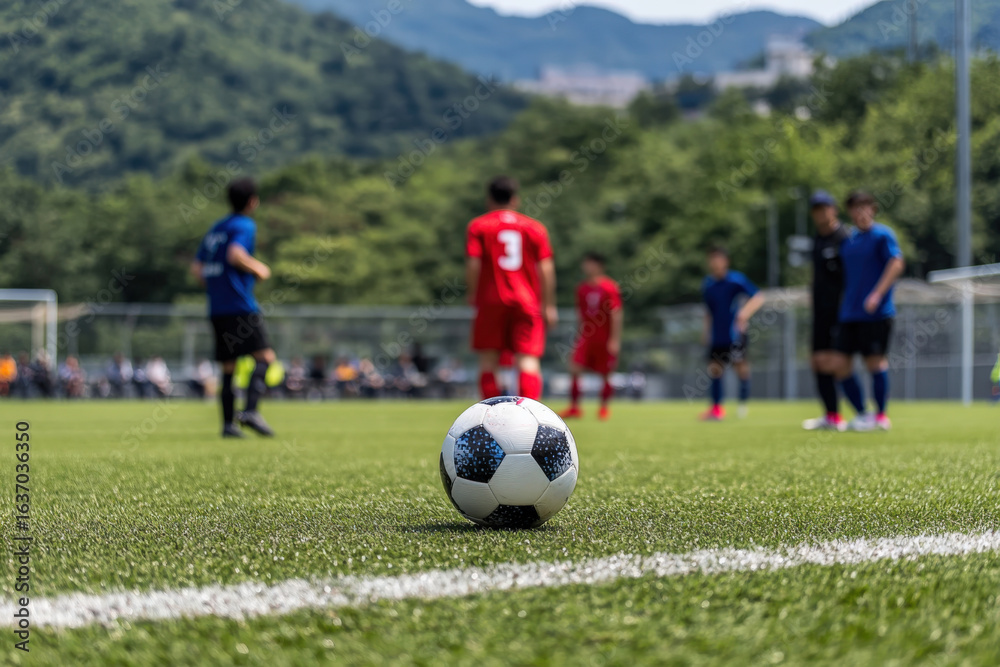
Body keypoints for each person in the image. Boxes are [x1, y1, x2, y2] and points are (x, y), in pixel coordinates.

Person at [191, 178, 276, 438]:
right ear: (253, 201)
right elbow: (236, 255)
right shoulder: (244, 224)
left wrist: (217, 284)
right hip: (241, 306)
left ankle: (228, 425)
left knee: (228, 367)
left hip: (217, 308)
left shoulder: (217, 228)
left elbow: (197, 269)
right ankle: (250, 411)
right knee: (265, 358)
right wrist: (259, 268)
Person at [466, 176, 557, 400]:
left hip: (491, 299)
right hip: (527, 301)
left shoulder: (479, 226)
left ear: (489, 199)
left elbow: (473, 263)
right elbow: (545, 268)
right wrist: (549, 305)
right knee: (527, 358)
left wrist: (472, 294)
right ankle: (529, 414)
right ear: (515, 200)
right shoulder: (534, 228)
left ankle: (492, 418)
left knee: (488, 359)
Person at [833, 191, 905, 431]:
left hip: (876, 312)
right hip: (849, 313)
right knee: (840, 364)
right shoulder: (849, 241)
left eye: (864, 206)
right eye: (854, 207)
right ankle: (864, 414)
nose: (860, 211)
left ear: (873, 209)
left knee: (875, 362)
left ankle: (881, 416)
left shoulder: (882, 235)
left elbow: (896, 263)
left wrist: (877, 293)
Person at [802, 191, 851, 431]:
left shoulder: (844, 238)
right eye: (816, 209)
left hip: (841, 312)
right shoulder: (816, 240)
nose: (821, 212)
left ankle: (860, 412)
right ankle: (831, 415)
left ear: (834, 209)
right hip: (819, 313)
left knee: (836, 362)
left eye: (825, 207)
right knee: (817, 361)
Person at [700, 246, 764, 421]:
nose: (715, 262)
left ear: (725, 261)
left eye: (718, 258)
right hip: (717, 334)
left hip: (735, 334)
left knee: (741, 368)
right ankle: (716, 409)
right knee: (715, 369)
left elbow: (758, 297)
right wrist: (706, 332)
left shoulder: (736, 280)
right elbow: (708, 311)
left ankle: (743, 404)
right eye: (712, 259)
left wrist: (744, 313)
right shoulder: (708, 284)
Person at [560, 252, 623, 420]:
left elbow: (616, 313)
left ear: (599, 266)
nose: (586, 267)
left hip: (603, 337)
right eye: (585, 263)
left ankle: (603, 409)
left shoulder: (609, 287)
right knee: (575, 368)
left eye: (590, 263)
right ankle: (575, 408)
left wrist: (614, 339)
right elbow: (580, 315)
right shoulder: (581, 288)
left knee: (606, 373)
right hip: (586, 336)